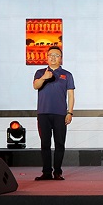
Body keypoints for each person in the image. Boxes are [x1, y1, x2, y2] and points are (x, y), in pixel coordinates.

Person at [32, 45, 75, 181]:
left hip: (60, 114)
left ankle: (57, 172)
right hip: (43, 113)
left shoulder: (67, 75)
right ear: (47, 57)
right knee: (45, 143)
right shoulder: (40, 72)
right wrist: (45, 77)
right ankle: (46, 172)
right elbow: (35, 86)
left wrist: (70, 112)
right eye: (51, 55)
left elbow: (71, 95)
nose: (53, 58)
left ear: (61, 58)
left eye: (56, 56)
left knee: (59, 143)